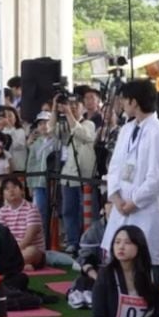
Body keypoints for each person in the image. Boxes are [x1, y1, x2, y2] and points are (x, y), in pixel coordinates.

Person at [101, 80, 159, 273]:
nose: (122, 104)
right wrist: (116, 197)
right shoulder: (126, 129)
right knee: (118, 257)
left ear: (134, 102)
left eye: (125, 100)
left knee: (144, 259)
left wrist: (133, 202)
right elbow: (115, 166)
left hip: (143, 208)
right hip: (122, 202)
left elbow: (157, 178)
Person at [56, 95, 97, 254]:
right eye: (69, 105)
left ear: (83, 108)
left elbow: (84, 135)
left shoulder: (89, 124)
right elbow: (51, 130)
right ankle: (72, 241)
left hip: (83, 175)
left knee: (86, 212)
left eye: (75, 105)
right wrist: (54, 109)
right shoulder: (63, 124)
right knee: (68, 210)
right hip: (67, 174)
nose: (71, 107)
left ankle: (88, 243)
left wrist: (69, 115)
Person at [0, 177, 46, 268]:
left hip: (29, 249)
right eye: (7, 189)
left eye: (14, 187)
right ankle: (20, 265)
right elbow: (1, 237)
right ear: (3, 194)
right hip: (11, 251)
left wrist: (11, 253)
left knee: (32, 251)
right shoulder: (1, 212)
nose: (11, 191)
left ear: (22, 191)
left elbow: (28, 239)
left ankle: (9, 265)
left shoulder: (31, 209)